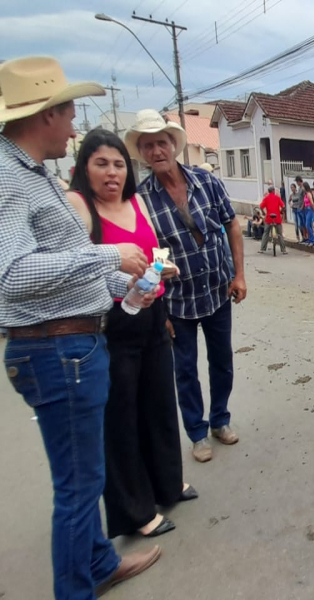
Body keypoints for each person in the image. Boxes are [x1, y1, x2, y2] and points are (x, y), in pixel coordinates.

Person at [0, 56, 161, 599]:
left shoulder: (31, 176)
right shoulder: (6, 176)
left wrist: (128, 284)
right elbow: (12, 274)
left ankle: (96, 562)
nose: (73, 123)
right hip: (55, 349)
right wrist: (108, 258)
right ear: (44, 114)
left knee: (84, 478)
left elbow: (65, 264)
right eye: (68, 111)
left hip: (71, 341)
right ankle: (76, 587)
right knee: (77, 486)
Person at [66, 129, 198, 540]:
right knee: (121, 417)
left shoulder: (135, 201)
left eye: (118, 164)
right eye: (101, 164)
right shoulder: (79, 207)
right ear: (84, 169)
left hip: (152, 312)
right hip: (112, 323)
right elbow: (78, 268)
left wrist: (163, 272)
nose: (112, 173)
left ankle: (167, 484)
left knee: (159, 402)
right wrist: (125, 284)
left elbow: (154, 250)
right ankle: (137, 511)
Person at [127, 109, 246, 464]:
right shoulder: (142, 199)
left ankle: (220, 420)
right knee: (185, 369)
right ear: (143, 153)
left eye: (161, 143)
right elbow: (147, 258)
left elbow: (232, 226)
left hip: (217, 291)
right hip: (177, 303)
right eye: (148, 146)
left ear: (173, 146)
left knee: (222, 361)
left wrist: (239, 275)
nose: (156, 151)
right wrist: (157, 307)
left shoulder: (205, 181)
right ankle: (196, 431)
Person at [259, 185, 287, 254]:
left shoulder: (266, 198)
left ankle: (262, 249)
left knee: (266, 233)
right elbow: (283, 206)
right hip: (277, 218)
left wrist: (263, 212)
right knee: (280, 234)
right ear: (273, 191)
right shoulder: (277, 198)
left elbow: (261, 206)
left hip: (268, 218)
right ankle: (283, 250)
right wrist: (281, 211)